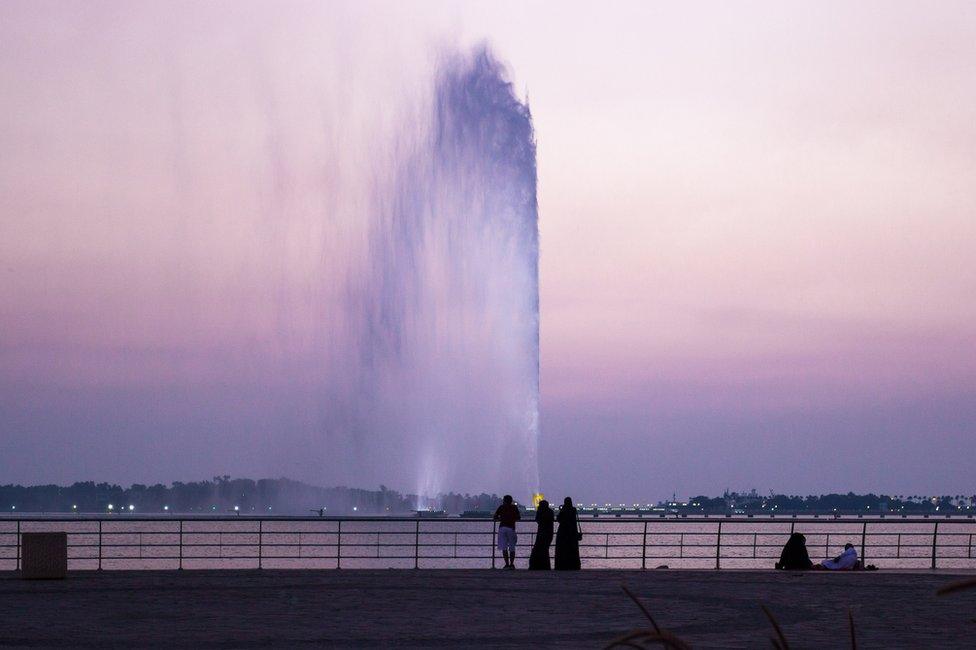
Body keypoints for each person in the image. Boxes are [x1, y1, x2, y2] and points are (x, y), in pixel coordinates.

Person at [493, 494, 521, 569]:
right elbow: (518, 517)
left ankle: (506, 564)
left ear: (504, 501)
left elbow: (495, 516)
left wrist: (501, 518)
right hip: (511, 528)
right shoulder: (514, 507)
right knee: (512, 547)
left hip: (502, 528)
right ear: (511, 501)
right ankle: (512, 564)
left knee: (504, 547)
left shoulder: (501, 507)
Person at [554, 496, 581, 570]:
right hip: (572, 532)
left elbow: (558, 519)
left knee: (562, 550)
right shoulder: (573, 510)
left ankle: (562, 565)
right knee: (572, 550)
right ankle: (573, 565)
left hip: (563, 532)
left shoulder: (564, 510)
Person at [529, 500, 554, 570]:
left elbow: (537, 520)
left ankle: (536, 565)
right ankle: (546, 566)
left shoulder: (540, 511)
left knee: (538, 549)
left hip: (541, 533)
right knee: (545, 550)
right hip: (549, 533)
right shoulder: (550, 512)